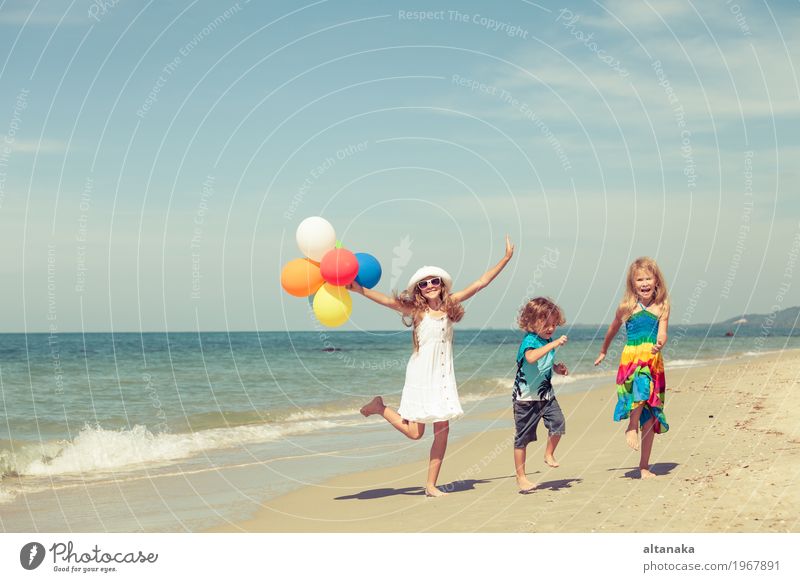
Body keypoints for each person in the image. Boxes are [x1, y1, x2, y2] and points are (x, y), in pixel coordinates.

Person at [354, 236, 514, 497]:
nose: (429, 286)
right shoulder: (416, 311)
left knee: (442, 431)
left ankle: (430, 485)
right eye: (424, 284)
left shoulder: (451, 306)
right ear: (419, 290)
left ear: (442, 285)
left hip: (442, 377)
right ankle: (380, 407)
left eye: (434, 281)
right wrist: (359, 290)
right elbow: (385, 301)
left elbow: (481, 283)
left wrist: (505, 259)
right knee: (415, 433)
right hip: (420, 376)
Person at [594, 257, 670, 479]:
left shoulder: (662, 305)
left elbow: (663, 332)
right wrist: (603, 350)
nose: (644, 283)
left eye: (648, 278)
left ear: (656, 280)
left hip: (653, 359)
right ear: (632, 283)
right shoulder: (626, 307)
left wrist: (660, 343)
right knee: (641, 386)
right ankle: (631, 424)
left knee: (652, 414)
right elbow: (612, 330)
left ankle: (644, 466)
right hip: (633, 358)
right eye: (640, 279)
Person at [512, 297, 568, 493]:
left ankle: (548, 454)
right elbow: (531, 357)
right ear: (530, 321)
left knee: (559, 423)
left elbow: (541, 363)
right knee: (522, 438)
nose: (550, 328)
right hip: (525, 399)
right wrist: (553, 346)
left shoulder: (547, 340)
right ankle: (521, 477)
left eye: (554, 324)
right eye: (545, 324)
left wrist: (556, 368)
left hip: (545, 396)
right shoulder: (529, 341)